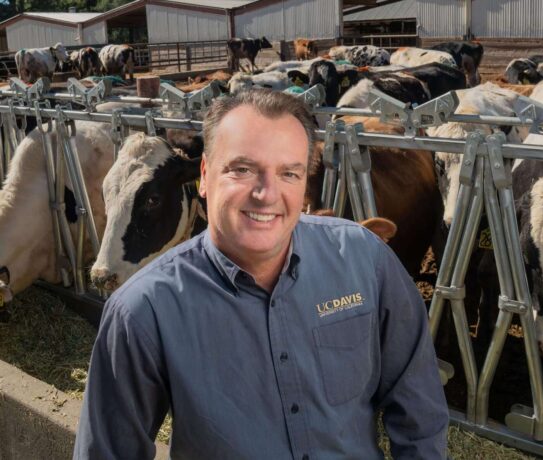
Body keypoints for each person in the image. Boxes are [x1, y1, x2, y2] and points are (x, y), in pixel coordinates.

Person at [74, 89, 448, 459]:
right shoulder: (143, 310)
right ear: (204, 176)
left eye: (288, 172)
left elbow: (419, 407)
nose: (266, 194)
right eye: (243, 169)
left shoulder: (366, 259)